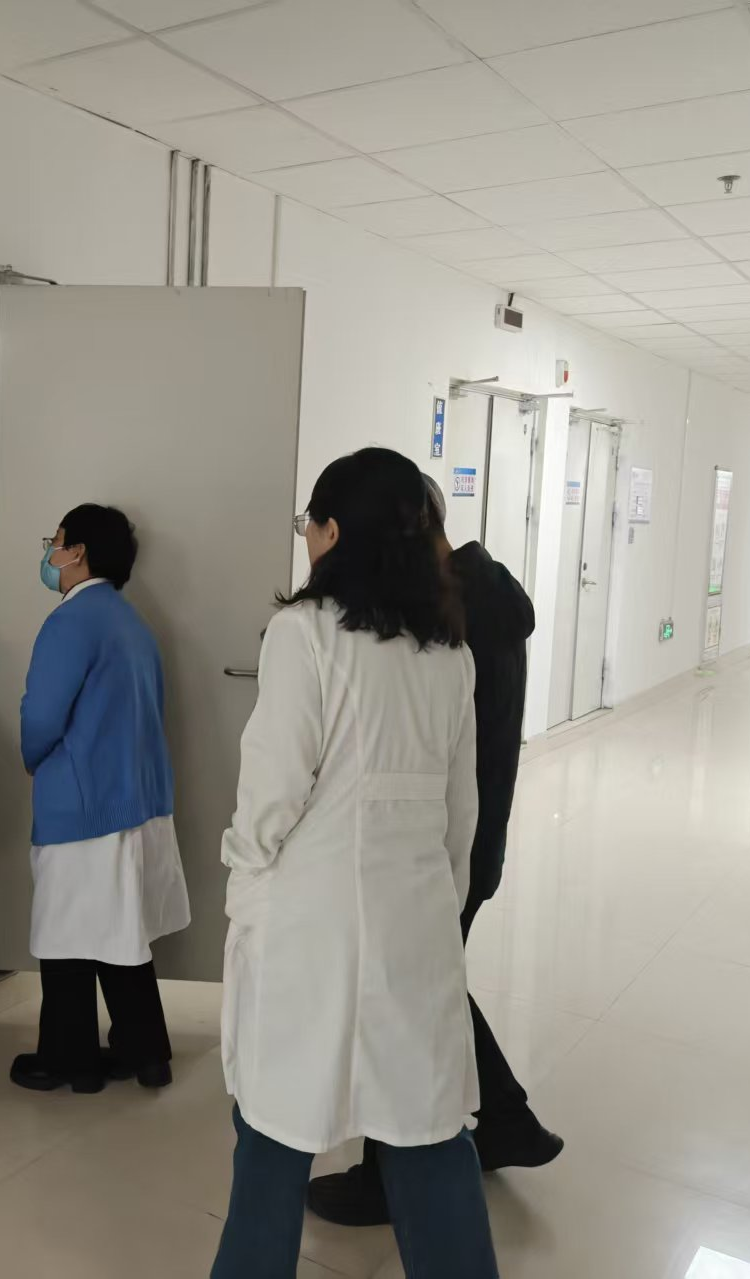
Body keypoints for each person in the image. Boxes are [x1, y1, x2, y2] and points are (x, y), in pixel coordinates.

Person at [213, 449, 498, 1279]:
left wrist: (245, 874)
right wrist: (437, 904)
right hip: (416, 926)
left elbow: (270, 794)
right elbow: (462, 816)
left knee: (273, 1135)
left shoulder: (304, 635)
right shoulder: (450, 653)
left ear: (333, 531)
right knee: (427, 1135)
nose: (305, 538)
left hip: (310, 927)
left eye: (309, 524)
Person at [308, 473, 562, 1228]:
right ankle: (506, 1119)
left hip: (443, 842)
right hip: (471, 836)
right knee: (428, 986)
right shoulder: (483, 597)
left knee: (403, 1000)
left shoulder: (452, 615)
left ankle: (389, 1178)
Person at [9, 505, 190, 1096]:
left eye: (55, 541)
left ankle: (70, 1062)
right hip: (136, 800)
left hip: (83, 806)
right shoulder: (131, 623)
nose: (50, 553)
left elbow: (42, 714)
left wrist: (31, 755)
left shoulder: (70, 621)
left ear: (78, 552)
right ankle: (146, 1054)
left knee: (66, 937)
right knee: (120, 935)